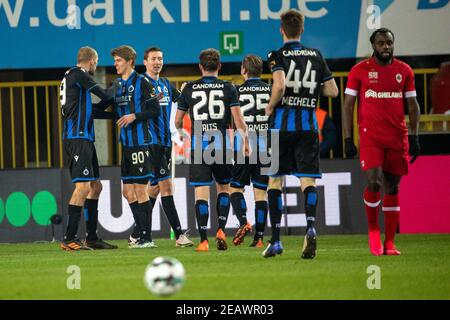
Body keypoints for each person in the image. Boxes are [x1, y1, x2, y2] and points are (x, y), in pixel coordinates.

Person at [264, 10, 339, 259]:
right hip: (308, 127)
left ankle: (275, 241)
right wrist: (309, 89)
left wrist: (271, 105)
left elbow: (280, 85)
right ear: (302, 29)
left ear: (281, 29)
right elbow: (332, 91)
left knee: (274, 181)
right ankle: (310, 227)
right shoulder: (316, 56)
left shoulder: (277, 55)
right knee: (308, 181)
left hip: (281, 126)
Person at [342, 28, 420, 256]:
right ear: (373, 46)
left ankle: (390, 242)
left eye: (389, 43)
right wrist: (348, 138)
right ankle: (374, 232)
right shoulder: (360, 71)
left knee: (393, 187)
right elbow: (348, 105)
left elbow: (413, 104)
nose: (385, 46)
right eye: (381, 43)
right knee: (374, 182)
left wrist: (415, 136)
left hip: (397, 136)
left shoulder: (404, 71)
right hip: (371, 136)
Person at [175, 48, 249, 252]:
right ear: (219, 66)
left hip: (199, 141)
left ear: (200, 67)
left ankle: (203, 241)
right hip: (222, 141)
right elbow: (238, 118)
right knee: (223, 188)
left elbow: (178, 120)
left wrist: (182, 133)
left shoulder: (189, 88)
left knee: (201, 191)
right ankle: (221, 230)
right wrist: (245, 142)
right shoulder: (229, 87)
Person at [127, 47, 194, 248]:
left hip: (165, 143)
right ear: (145, 62)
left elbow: (181, 101)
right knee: (166, 186)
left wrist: (187, 92)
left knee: (154, 189)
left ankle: (136, 233)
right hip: (151, 143)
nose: (158, 62)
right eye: (154, 59)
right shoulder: (141, 84)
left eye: (160, 59)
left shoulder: (165, 84)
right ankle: (180, 236)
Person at [59, 46, 118, 251]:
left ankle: (91, 237)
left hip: (84, 138)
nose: (96, 65)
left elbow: (91, 110)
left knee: (96, 187)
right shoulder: (79, 74)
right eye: (97, 61)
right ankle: (69, 238)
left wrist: (115, 116)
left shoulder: (72, 77)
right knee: (83, 187)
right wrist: (116, 85)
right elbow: (105, 95)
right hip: (77, 139)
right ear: (92, 60)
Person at [110, 45, 162, 248]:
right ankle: (141, 232)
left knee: (140, 190)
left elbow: (155, 110)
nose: (115, 64)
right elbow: (115, 112)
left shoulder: (142, 82)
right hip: (127, 144)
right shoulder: (116, 84)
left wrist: (134, 116)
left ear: (130, 61)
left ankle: (147, 238)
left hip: (141, 143)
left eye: (118, 60)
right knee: (127, 192)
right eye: (115, 61)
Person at [230, 54, 271, 248]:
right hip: (268, 145)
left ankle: (244, 221)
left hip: (242, 145)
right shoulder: (272, 90)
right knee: (261, 193)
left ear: (243, 70)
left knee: (235, 188)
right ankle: (260, 238)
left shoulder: (236, 91)